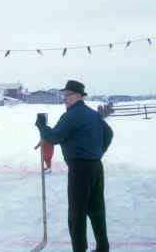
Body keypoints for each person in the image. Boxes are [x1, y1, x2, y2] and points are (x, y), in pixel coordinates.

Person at [35, 80, 113, 252]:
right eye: (64, 95)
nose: (64, 99)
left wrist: (41, 126)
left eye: (67, 95)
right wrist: (98, 152)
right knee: (96, 208)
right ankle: (103, 247)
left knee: (76, 212)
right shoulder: (92, 114)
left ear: (78, 96)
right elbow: (108, 133)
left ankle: (79, 249)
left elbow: (54, 137)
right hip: (96, 167)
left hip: (79, 169)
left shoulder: (72, 115)